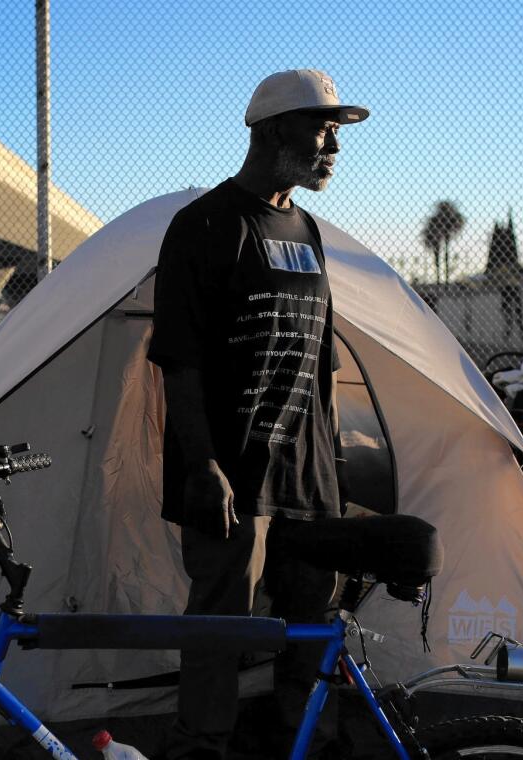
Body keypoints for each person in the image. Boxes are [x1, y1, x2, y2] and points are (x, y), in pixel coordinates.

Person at [147, 69, 369, 760]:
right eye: (320, 128)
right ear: (273, 129)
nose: (332, 145)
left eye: (336, 132)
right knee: (220, 627)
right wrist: (205, 466)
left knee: (312, 619)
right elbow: (178, 361)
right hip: (231, 477)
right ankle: (201, 747)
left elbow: (320, 356)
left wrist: (333, 465)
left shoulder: (307, 228)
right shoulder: (204, 226)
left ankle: (299, 741)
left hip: (306, 478)